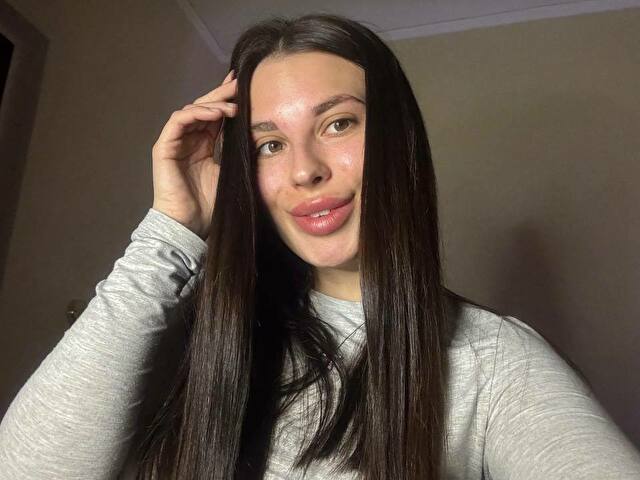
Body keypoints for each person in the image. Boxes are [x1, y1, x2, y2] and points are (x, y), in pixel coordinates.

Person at [1, 12, 639, 480]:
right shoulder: (195, 323)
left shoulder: (493, 361)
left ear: (398, 140)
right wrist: (170, 230)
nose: (304, 170)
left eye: (338, 123)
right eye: (269, 144)